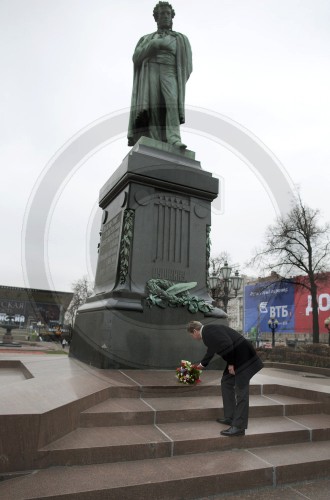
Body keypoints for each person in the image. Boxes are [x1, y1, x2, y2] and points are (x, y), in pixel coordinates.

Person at [127, 2, 192, 148]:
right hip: (151, 69)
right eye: (162, 14)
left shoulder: (180, 39)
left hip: (170, 71)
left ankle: (174, 138)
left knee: (171, 103)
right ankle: (155, 139)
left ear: (172, 17)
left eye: (168, 13)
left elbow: (187, 66)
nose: (165, 16)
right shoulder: (147, 39)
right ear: (156, 18)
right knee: (153, 105)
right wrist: (154, 45)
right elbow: (136, 57)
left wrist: (177, 78)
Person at [187, 321, 263, 437]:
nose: (192, 338)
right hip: (238, 357)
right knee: (226, 382)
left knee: (241, 390)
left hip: (244, 359)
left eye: (191, 335)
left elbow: (228, 344)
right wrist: (200, 366)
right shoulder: (208, 332)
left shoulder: (208, 332)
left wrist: (231, 364)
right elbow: (211, 351)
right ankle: (230, 416)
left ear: (195, 331)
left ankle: (239, 427)